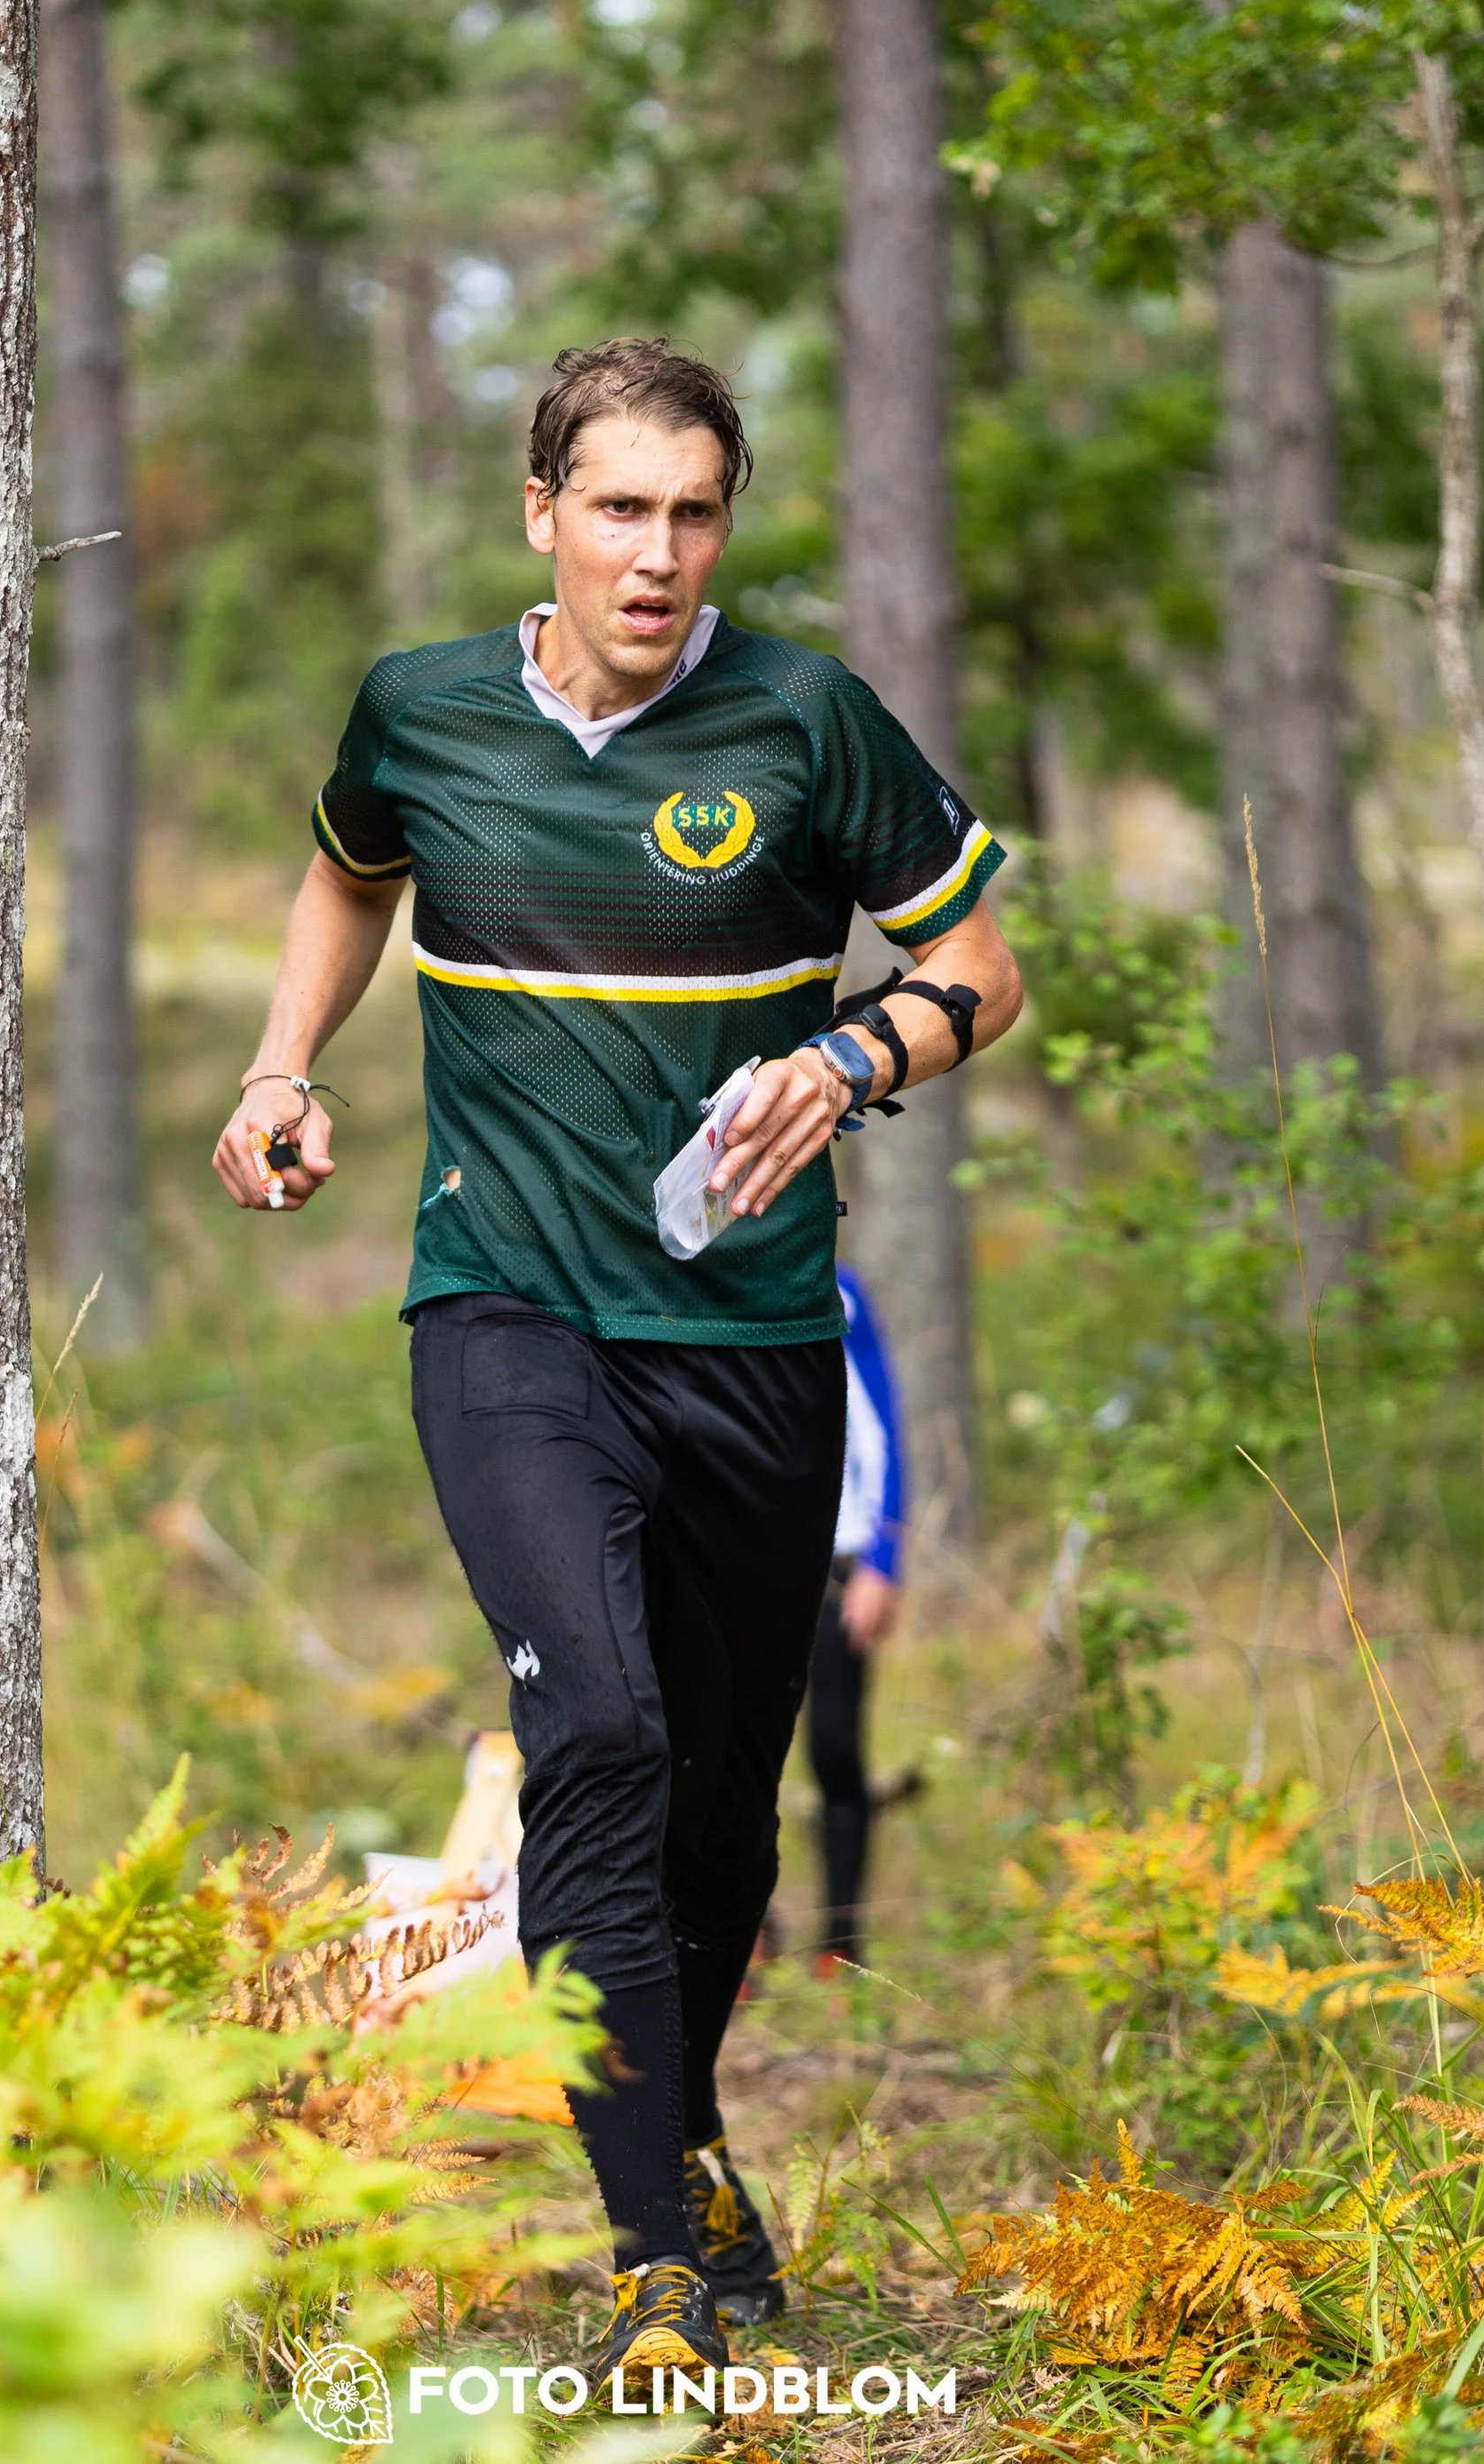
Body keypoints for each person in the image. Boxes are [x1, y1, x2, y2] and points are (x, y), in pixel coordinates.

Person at [211, 338, 1021, 2388]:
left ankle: (689, 2121)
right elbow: (348, 865)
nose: (657, 554)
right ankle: (653, 2252)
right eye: (619, 509)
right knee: (596, 1739)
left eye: (694, 512)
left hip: (750, 1340)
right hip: (505, 1313)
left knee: (724, 1814)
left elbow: (981, 967)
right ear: (540, 516)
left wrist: (853, 1054)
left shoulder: (805, 716)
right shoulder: (423, 709)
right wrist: (282, 1061)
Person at [810, 1264, 905, 1969]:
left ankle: (841, 1944)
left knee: (836, 1748)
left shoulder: (835, 1288)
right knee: (725, 1754)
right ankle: (743, 1938)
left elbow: (879, 1420)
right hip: (733, 1559)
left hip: (837, 1560)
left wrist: (884, 1560)